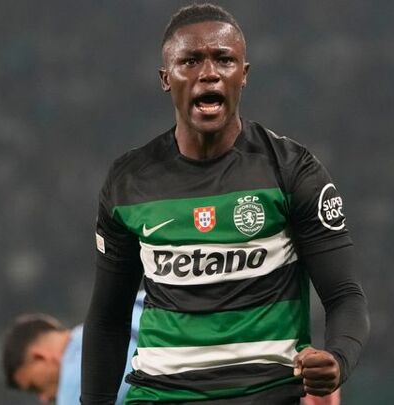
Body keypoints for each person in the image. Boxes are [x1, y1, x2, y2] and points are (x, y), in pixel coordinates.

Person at [82, 3, 369, 404]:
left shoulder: (291, 171)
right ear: (166, 78)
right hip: (160, 396)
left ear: (243, 74)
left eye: (224, 59)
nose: (209, 73)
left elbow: (345, 296)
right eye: (190, 61)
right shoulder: (129, 182)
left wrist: (338, 359)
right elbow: (108, 318)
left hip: (265, 396)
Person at [2, 291, 145, 404]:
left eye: (35, 387)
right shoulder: (135, 300)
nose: (44, 398)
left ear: (40, 357)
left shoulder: (76, 386)